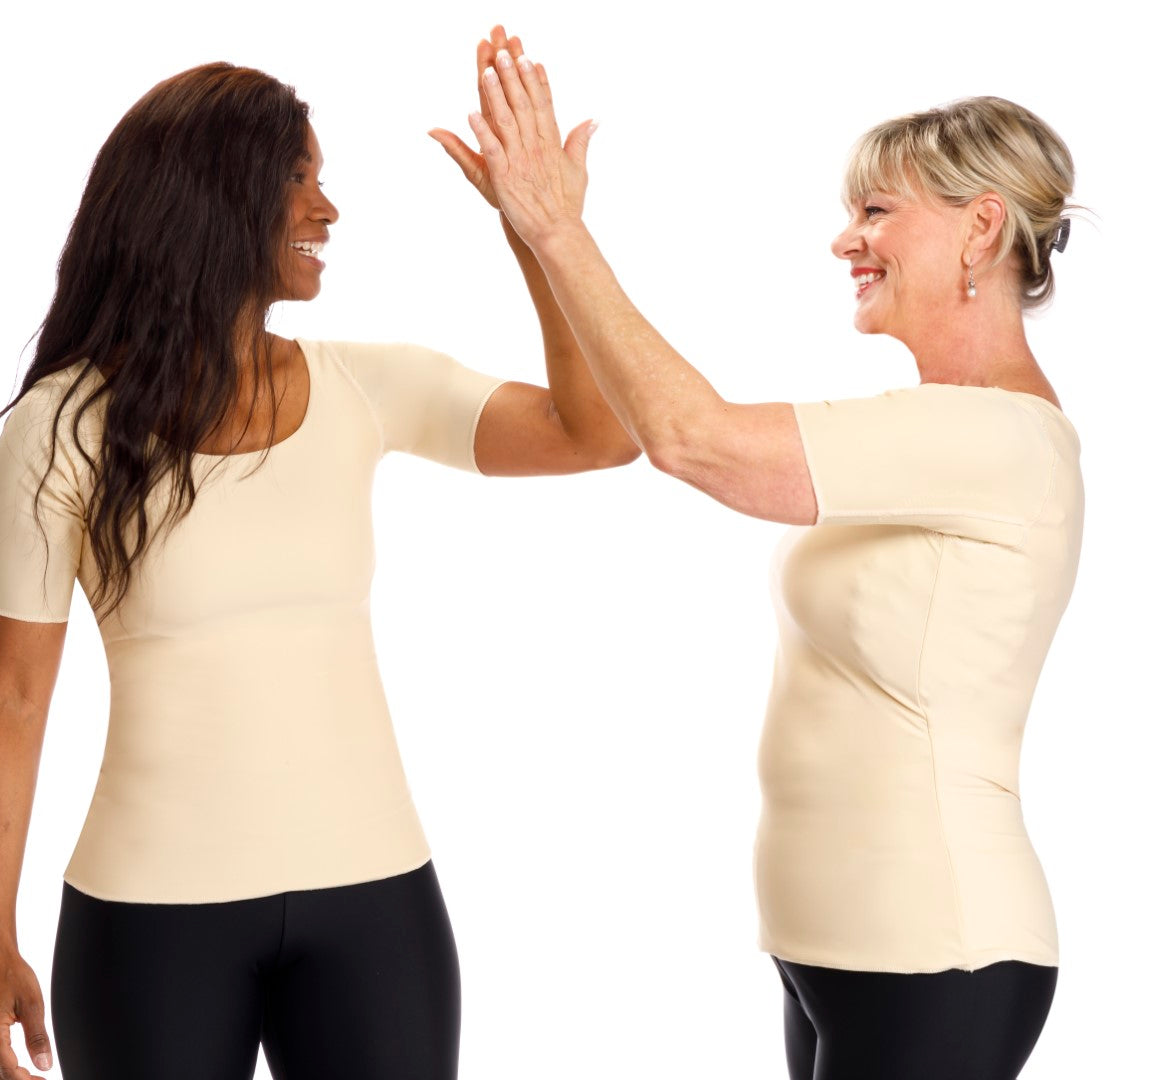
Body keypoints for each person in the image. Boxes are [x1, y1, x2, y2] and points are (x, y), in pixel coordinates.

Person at [0, 47, 639, 1080]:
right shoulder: (64, 427)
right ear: (211, 197)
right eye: (298, 178)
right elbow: (13, 697)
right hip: (151, 914)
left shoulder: (367, 386)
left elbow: (596, 435)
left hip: (375, 899)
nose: (327, 208)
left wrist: (544, 239)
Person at [447, 31, 1081, 1080]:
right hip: (832, 946)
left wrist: (557, 229)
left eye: (875, 211)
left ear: (980, 229)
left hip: (935, 948)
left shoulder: (996, 439)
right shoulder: (931, 434)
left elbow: (691, 440)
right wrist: (537, 238)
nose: (845, 241)